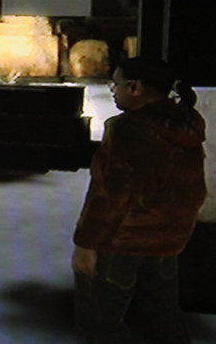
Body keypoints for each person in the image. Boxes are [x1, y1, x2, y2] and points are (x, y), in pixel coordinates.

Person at [71, 57, 207, 344]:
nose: (112, 90)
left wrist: (86, 244)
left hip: (119, 242)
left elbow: (111, 196)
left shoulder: (127, 129)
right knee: (163, 318)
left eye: (116, 83)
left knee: (101, 321)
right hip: (165, 243)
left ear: (135, 88)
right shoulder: (186, 126)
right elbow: (194, 188)